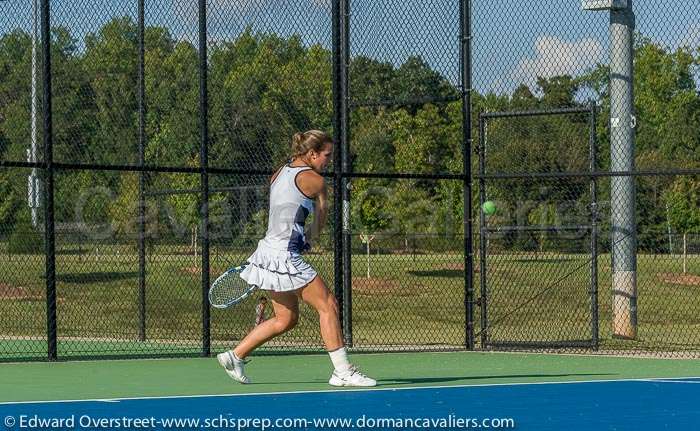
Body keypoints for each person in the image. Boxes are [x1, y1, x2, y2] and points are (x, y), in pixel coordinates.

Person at [217, 130, 376, 387]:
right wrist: (310, 238)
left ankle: (236, 355)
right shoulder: (315, 181)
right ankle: (343, 371)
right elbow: (320, 219)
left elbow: (287, 209)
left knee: (286, 319)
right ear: (312, 153)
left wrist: (299, 236)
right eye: (327, 155)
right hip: (282, 256)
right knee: (328, 305)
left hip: (268, 251)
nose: (329, 160)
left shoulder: (279, 172)